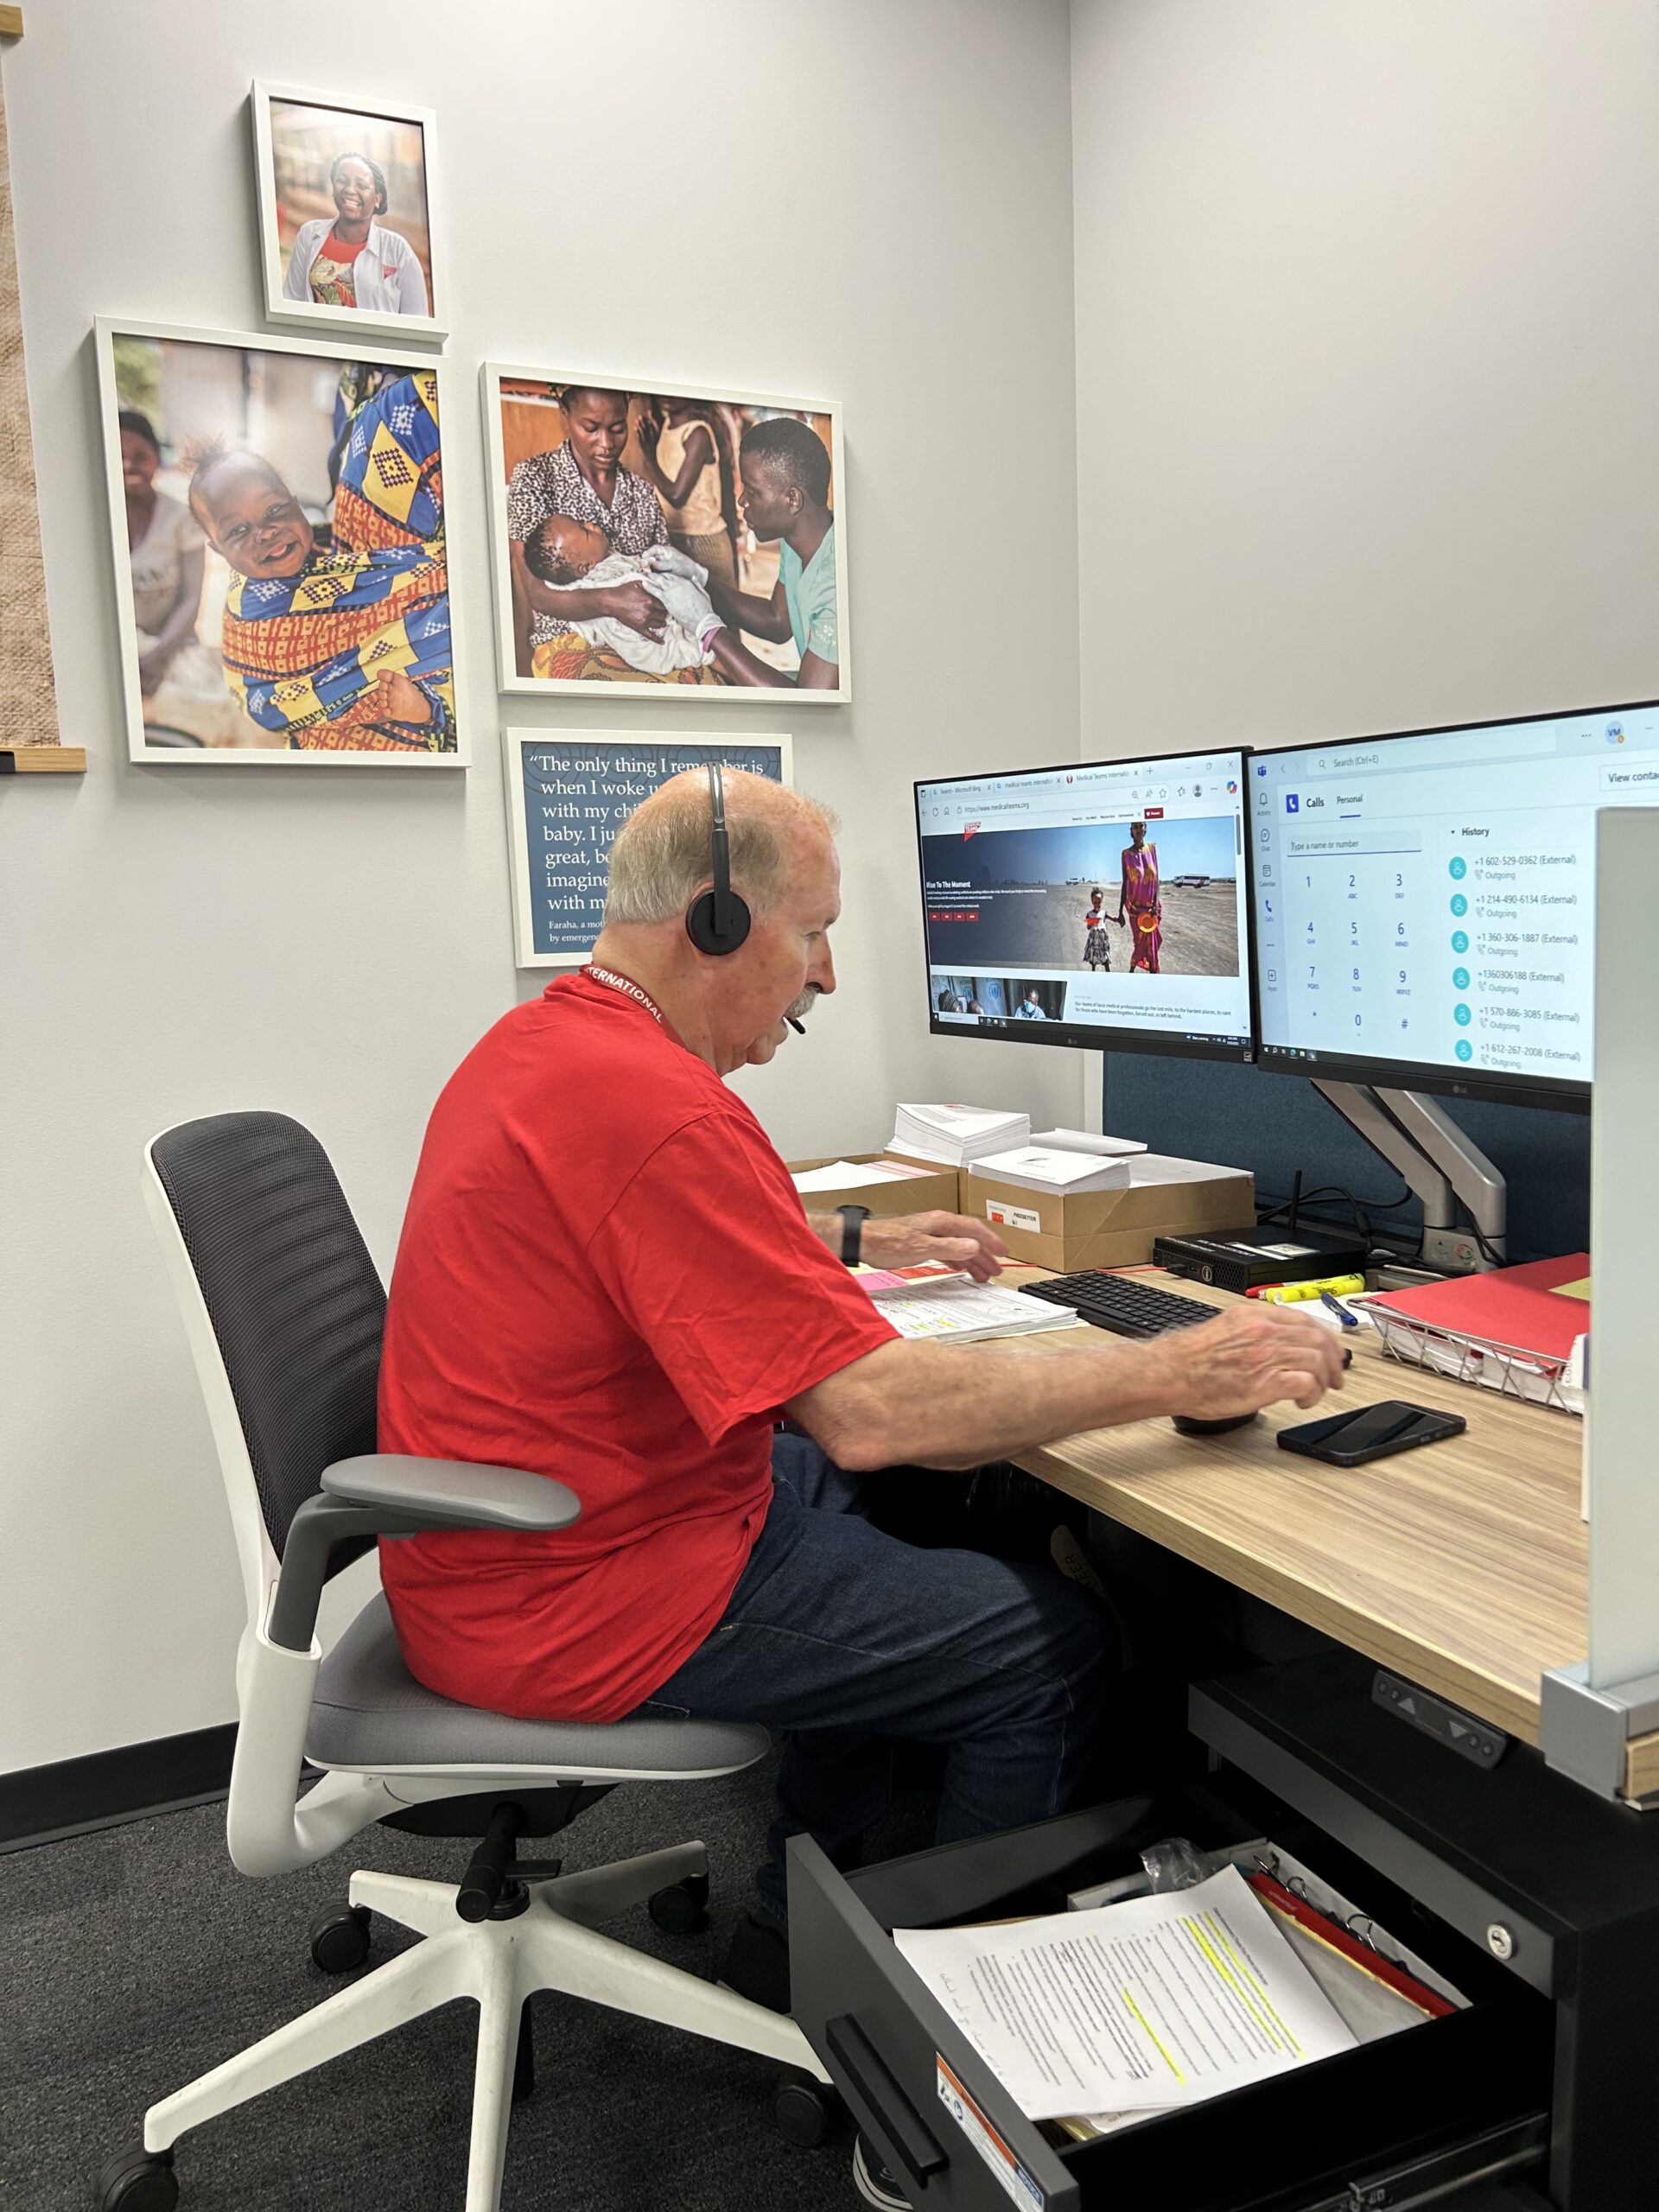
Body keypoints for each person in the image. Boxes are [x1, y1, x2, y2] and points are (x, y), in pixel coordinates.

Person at [376, 768, 1342, 2026]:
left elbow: (650, 1235)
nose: (827, 975)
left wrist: (842, 1240)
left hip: (529, 1534)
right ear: (715, 924)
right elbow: (874, 1412)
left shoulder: (554, 1043)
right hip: (577, 1590)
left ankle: (803, 1916)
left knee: (886, 1510)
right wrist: (1175, 1367)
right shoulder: (657, 1107)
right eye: (814, 933)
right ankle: (939, 2044)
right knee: (1042, 1648)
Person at [190, 369, 454, 751]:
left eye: (275, 510)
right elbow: (266, 701)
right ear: (216, 550)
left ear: (297, 504)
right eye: (237, 532)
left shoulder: (352, 552)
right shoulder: (254, 616)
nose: (265, 532)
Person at [505, 385, 671, 680]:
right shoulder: (535, 478)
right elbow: (538, 594)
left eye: (617, 428)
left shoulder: (642, 492)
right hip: (571, 643)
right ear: (566, 415)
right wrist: (609, 601)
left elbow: (665, 574)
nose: (606, 442)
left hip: (647, 639)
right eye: (590, 428)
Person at [118, 410, 245, 747]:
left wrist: (157, 657)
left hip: (171, 645)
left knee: (216, 713)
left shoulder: (179, 518)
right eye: (119, 457)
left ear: (157, 460)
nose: (130, 466)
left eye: (140, 457)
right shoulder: (93, 516)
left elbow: (192, 599)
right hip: (119, 648)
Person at [692, 416, 840, 689]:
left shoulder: (834, 586)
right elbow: (778, 620)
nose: (741, 500)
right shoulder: (796, 541)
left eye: (752, 491)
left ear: (792, 500)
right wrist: (699, 580)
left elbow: (812, 706)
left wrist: (710, 630)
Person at [522, 515, 716, 680]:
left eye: (582, 522)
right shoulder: (602, 579)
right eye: (586, 531)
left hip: (659, 630)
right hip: (655, 647)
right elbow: (641, 588)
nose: (591, 523)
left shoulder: (604, 558)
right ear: (586, 567)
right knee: (708, 650)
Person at [283, 150, 429, 316]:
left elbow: (417, 319)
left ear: (377, 199)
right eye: (342, 181)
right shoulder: (309, 235)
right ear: (333, 189)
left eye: (362, 185)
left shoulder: (398, 250)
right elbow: (291, 301)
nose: (350, 190)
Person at [632, 397, 736, 585]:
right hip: (674, 536)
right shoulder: (666, 427)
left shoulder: (698, 434)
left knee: (719, 610)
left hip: (705, 541)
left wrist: (649, 458)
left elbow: (676, 496)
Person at [1116, 819, 1162, 973]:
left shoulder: (1152, 850)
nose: (1138, 829)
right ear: (1131, 831)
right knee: (1139, 943)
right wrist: (1119, 912)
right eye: (1135, 827)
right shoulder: (1126, 855)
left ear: (1145, 829)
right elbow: (1125, 883)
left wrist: (1155, 905)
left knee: (1151, 945)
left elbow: (1157, 881)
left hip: (1152, 910)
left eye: (1140, 826)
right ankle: (1131, 971)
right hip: (1135, 910)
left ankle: (1153, 973)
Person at [1084, 886, 1110, 971]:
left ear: (1101, 901)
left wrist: (1118, 919)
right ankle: (1093, 975)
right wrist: (1091, 923)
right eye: (1095, 902)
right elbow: (1088, 927)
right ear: (1092, 902)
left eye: (1099, 902)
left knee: (1105, 959)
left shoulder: (1103, 912)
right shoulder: (1089, 914)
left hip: (1102, 939)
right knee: (1093, 959)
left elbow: (1112, 918)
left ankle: (1109, 977)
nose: (1097, 904)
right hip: (1094, 938)